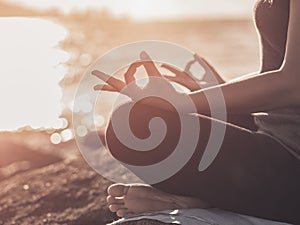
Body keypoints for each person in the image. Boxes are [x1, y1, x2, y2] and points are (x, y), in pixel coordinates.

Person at [92, 0, 300, 223]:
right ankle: (209, 199)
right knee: (139, 120)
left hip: (291, 162)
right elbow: (275, 76)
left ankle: (198, 200)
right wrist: (213, 90)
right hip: (274, 139)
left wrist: (181, 101)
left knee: (133, 124)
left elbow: (293, 84)